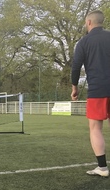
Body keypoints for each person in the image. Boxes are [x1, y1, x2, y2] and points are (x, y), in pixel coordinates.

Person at [71, 10, 110, 177]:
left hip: (97, 91)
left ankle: (102, 168)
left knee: (95, 128)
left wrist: (75, 88)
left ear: (88, 22)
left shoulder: (83, 42)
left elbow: (75, 67)